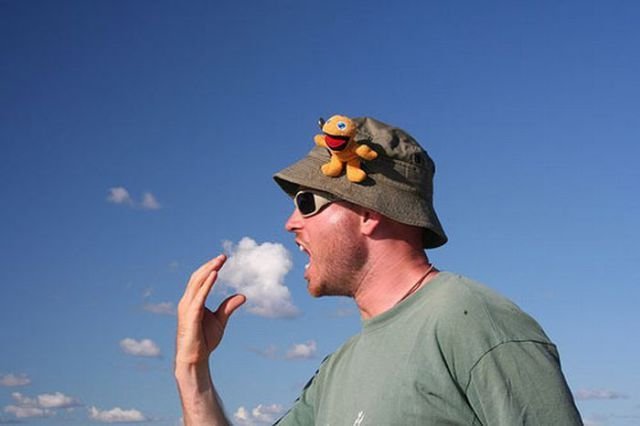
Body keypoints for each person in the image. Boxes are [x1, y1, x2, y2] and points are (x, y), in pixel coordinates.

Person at [175, 116, 583, 425]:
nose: (290, 224)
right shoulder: (337, 369)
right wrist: (193, 369)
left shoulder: (474, 324)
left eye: (307, 203)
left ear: (369, 214)